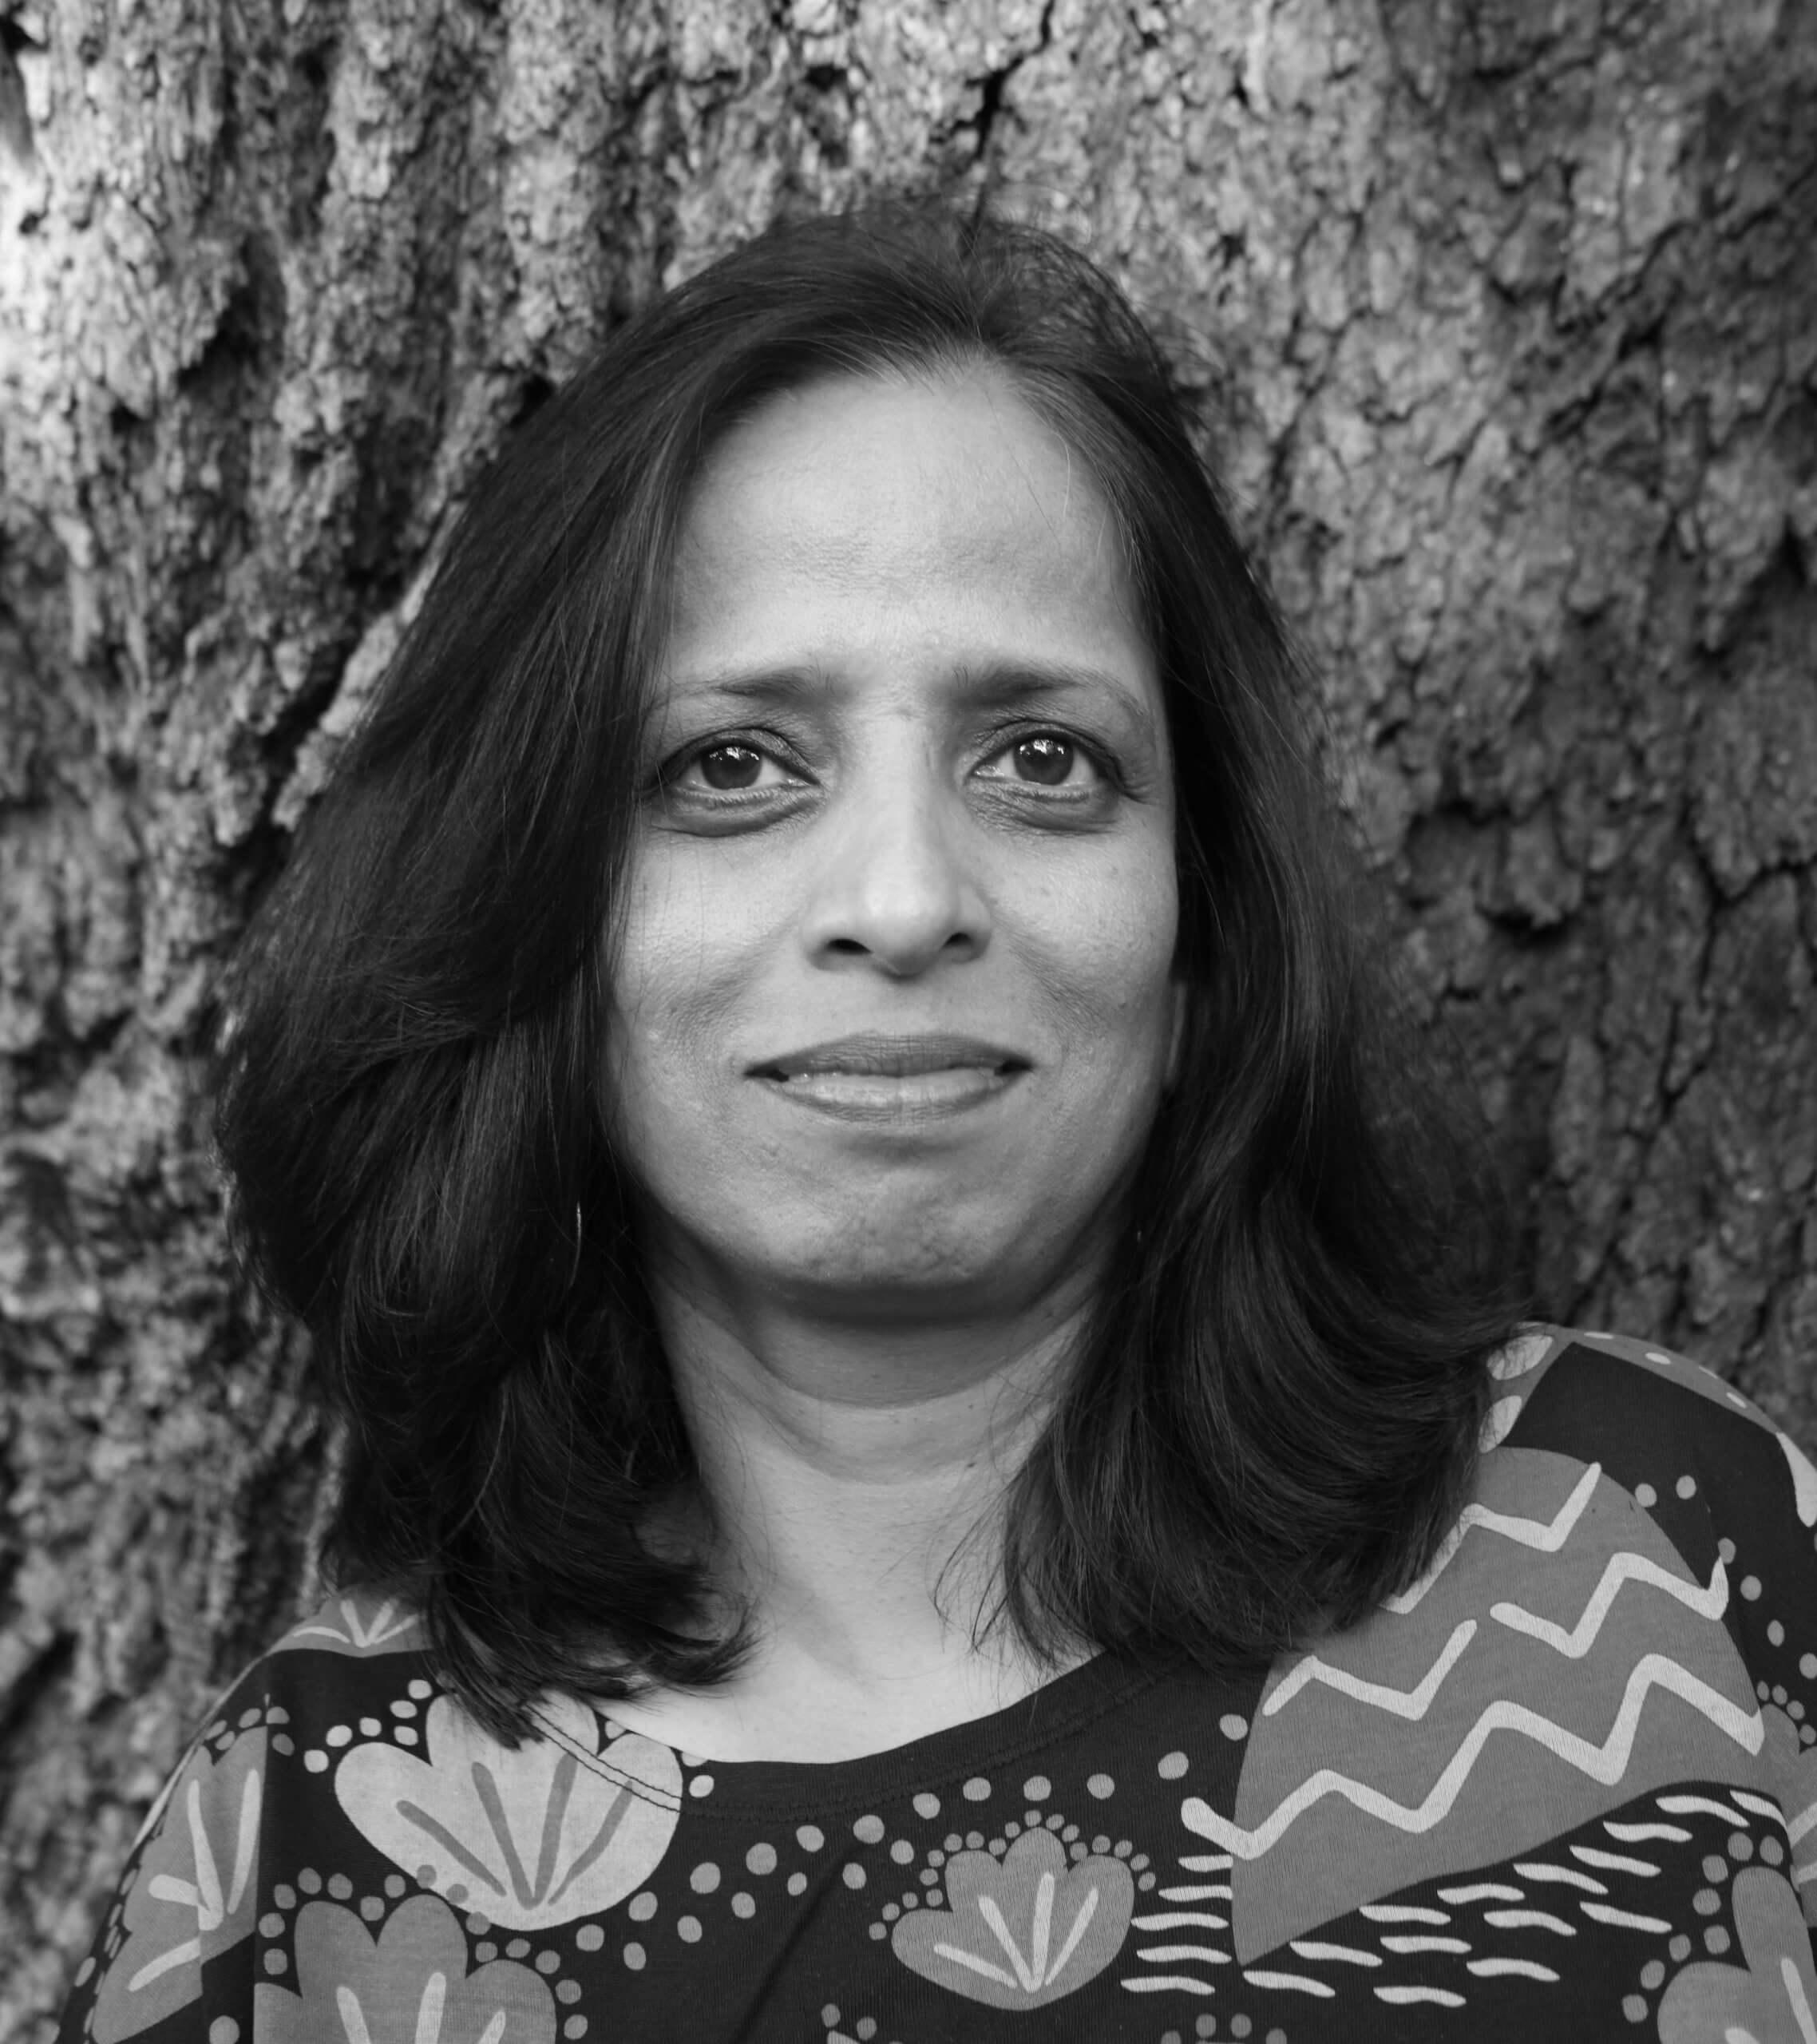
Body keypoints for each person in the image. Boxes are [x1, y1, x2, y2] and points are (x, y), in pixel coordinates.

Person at [58, 199, 1817, 2044]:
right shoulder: (311, 1852)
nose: (903, 898)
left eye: (1042, 757)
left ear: (1197, 926)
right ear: (535, 917)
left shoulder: (1648, 1558)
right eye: (729, 766)